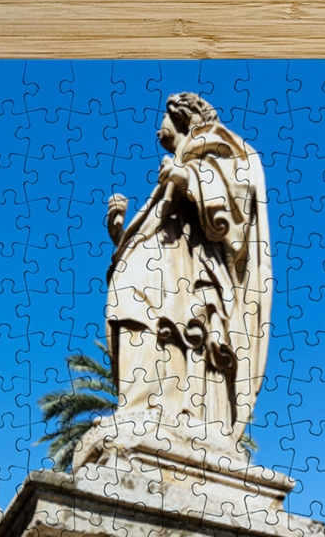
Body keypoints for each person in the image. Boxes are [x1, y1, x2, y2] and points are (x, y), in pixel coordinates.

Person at [103, 92, 272, 451]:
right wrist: (119, 232)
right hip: (160, 260)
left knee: (169, 326)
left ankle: (164, 409)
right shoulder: (175, 165)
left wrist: (186, 178)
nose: (156, 126)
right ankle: (137, 406)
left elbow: (236, 204)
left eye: (162, 117)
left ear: (181, 117)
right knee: (132, 312)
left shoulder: (214, 147)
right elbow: (150, 226)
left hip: (190, 266)